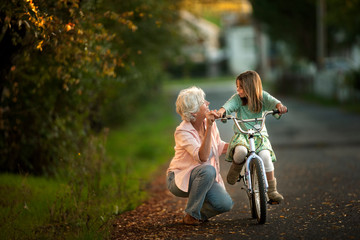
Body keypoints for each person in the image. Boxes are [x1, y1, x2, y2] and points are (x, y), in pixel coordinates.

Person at [217, 70, 287, 203]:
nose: (237, 89)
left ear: (250, 86)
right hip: (242, 135)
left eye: (240, 87)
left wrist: (280, 107)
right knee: (240, 152)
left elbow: (275, 103)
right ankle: (236, 169)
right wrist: (222, 112)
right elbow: (228, 106)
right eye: (237, 86)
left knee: (266, 157)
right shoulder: (237, 99)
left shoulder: (262, 97)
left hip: (260, 136)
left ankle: (272, 191)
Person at [166, 86, 233, 225]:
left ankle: (196, 215)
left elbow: (218, 146)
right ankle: (191, 213)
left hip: (203, 177)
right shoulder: (182, 131)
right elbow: (202, 157)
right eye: (203, 102)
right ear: (194, 112)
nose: (208, 103)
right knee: (208, 170)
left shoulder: (208, 124)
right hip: (179, 178)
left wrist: (239, 145)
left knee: (225, 204)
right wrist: (209, 126)